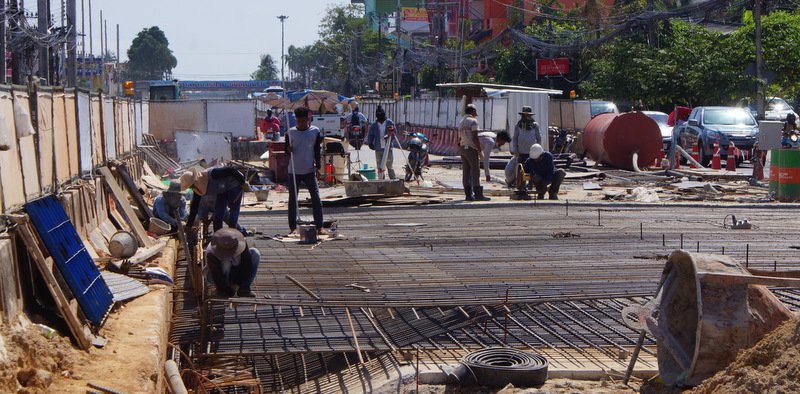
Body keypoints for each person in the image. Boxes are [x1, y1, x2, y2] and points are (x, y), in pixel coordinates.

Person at [286, 107, 326, 235]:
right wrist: (288, 149)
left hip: (309, 170)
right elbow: (285, 150)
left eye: (303, 121)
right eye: (298, 121)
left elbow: (316, 150)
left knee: (316, 198)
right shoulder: (290, 132)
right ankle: (293, 228)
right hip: (294, 171)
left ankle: (320, 226)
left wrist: (318, 165)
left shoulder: (315, 131)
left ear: (308, 120)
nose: (301, 124)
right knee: (293, 199)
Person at [182, 166, 249, 234]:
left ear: (195, 181)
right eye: (190, 187)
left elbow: (231, 170)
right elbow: (194, 207)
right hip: (222, 191)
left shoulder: (213, 174)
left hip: (234, 185)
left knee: (233, 214)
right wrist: (189, 225)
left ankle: (234, 236)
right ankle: (218, 237)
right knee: (217, 217)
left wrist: (242, 182)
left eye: (192, 186)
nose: (192, 188)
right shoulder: (198, 189)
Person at [205, 228, 259, 298]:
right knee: (226, 262)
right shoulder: (211, 252)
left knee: (255, 253)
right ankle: (221, 290)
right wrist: (228, 290)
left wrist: (238, 284)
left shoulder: (242, 243)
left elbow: (247, 264)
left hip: (236, 270)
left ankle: (244, 289)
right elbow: (216, 274)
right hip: (217, 276)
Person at [458, 104, 489, 201]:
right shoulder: (473, 121)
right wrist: (479, 150)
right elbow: (475, 137)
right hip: (471, 148)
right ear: (472, 111)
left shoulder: (461, 121)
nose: (476, 114)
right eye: (475, 112)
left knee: (466, 172)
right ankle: (478, 194)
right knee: (475, 172)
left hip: (463, 148)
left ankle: (468, 195)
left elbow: (459, 138)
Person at [366, 106, 396, 180]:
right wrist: (370, 143)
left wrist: (390, 139)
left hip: (388, 148)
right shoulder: (374, 125)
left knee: (389, 165)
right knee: (380, 166)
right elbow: (370, 135)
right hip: (378, 148)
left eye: (381, 114)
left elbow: (394, 133)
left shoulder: (389, 123)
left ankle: (393, 179)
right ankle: (381, 180)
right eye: (378, 114)